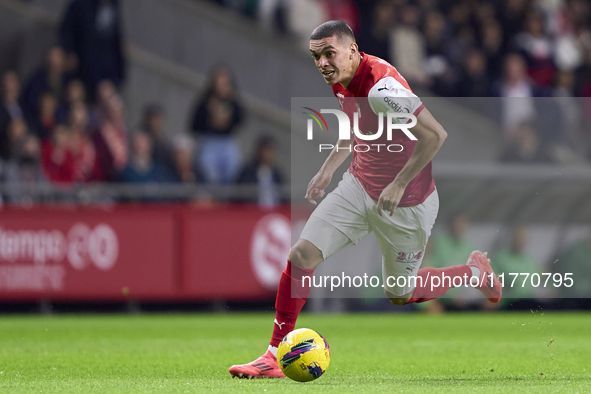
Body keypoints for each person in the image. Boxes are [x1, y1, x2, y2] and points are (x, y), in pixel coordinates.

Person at [229, 20, 502, 379]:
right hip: (358, 187)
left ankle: (472, 272)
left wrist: (399, 183)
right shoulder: (342, 79)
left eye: (329, 53)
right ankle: (273, 355)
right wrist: (328, 169)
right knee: (301, 255)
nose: (323, 63)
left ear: (353, 51)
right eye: (316, 57)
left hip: (406, 205)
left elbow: (436, 135)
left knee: (399, 294)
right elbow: (356, 125)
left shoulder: (382, 87)